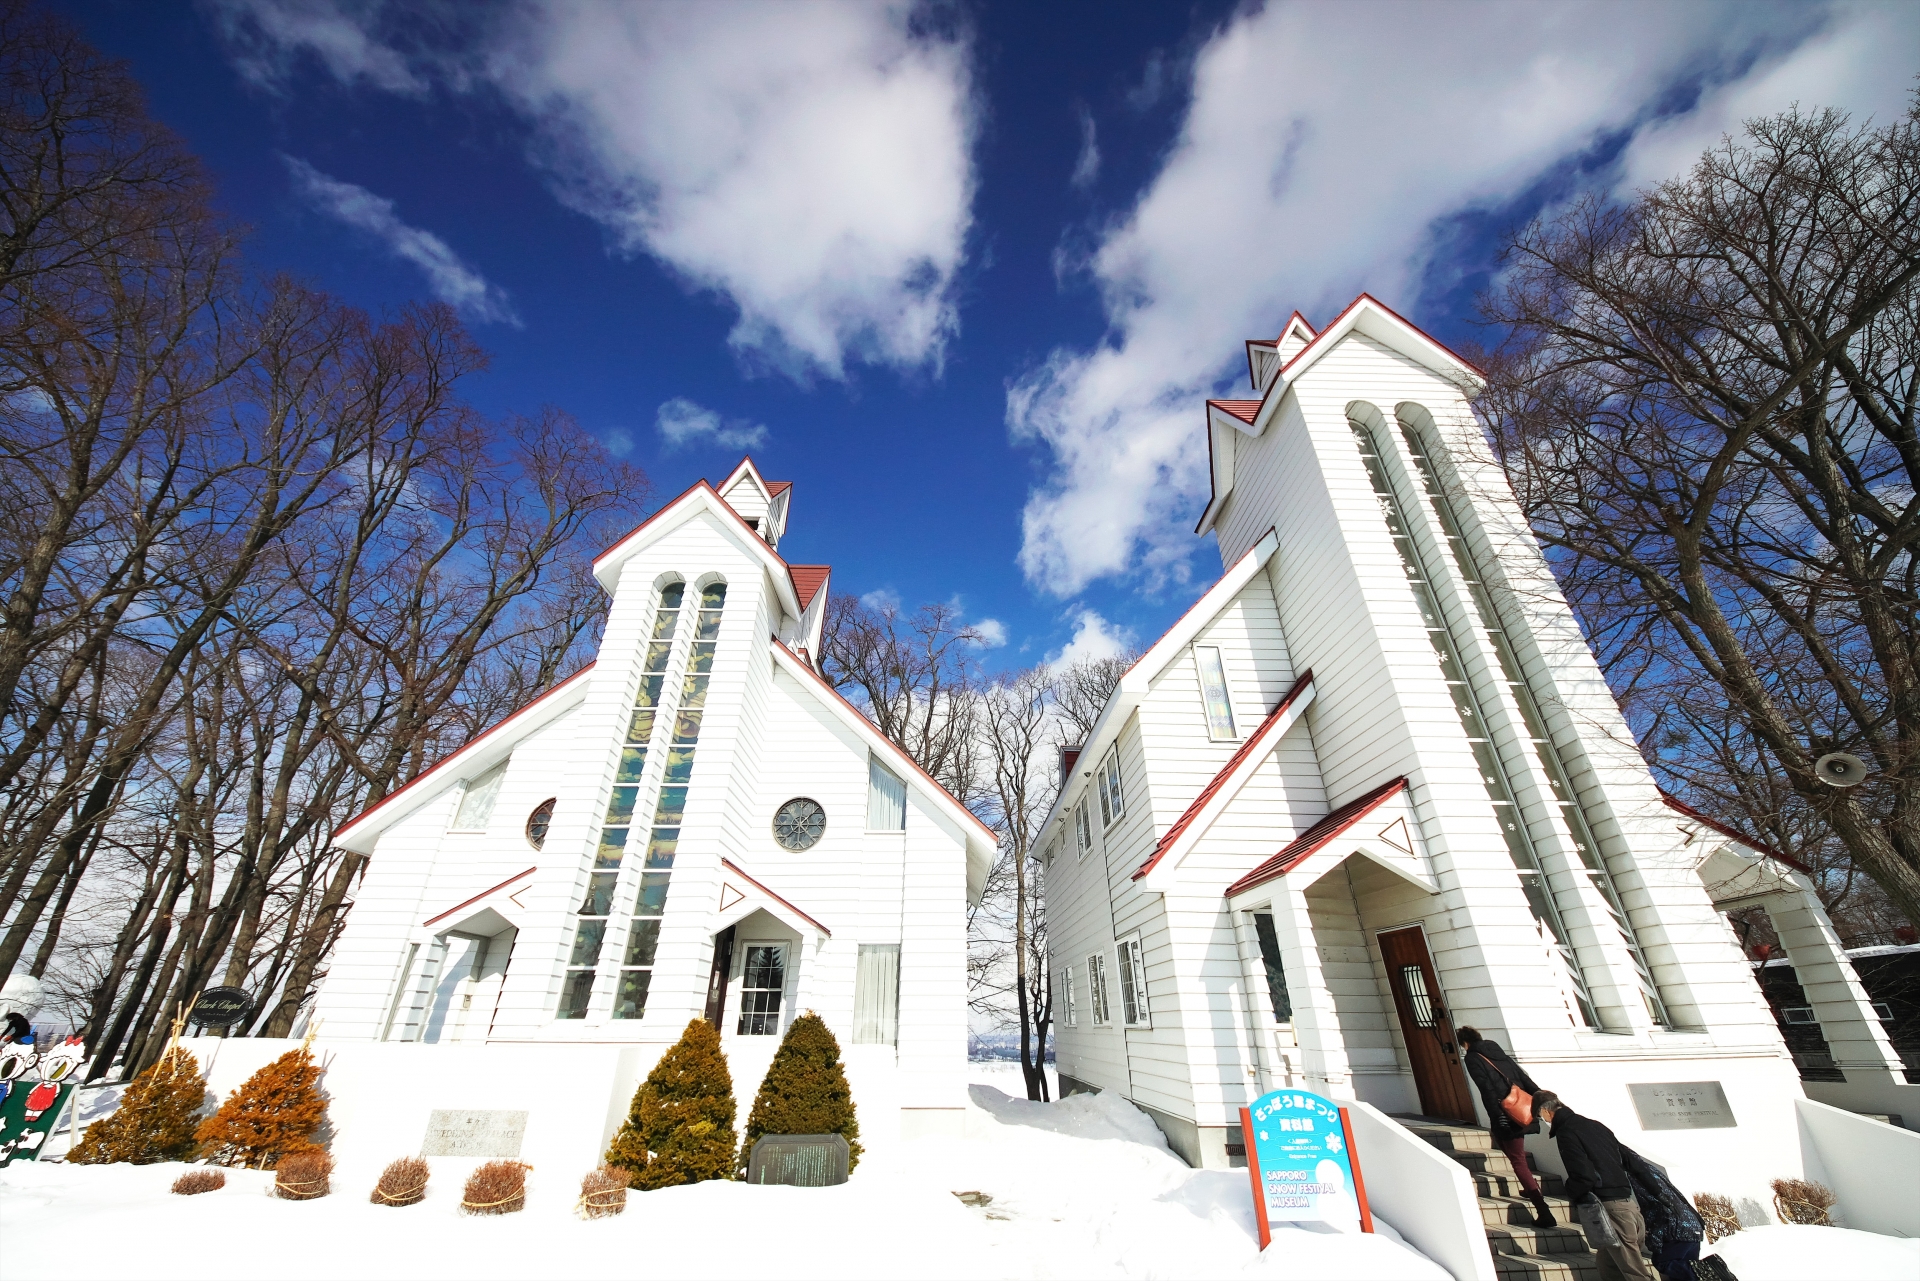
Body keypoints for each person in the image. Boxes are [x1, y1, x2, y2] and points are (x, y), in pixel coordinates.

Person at [1534, 1091, 1657, 1281]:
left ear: (1545, 1110)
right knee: (1608, 1264)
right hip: (1628, 1202)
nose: (1542, 1119)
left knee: (1634, 1272)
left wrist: (1573, 1193)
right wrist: (1656, 1191)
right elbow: (1630, 1160)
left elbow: (1583, 1175)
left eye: (1539, 1114)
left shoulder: (1567, 1132)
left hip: (1608, 1208)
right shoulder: (1596, 1126)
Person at [1458, 1026, 1555, 1227]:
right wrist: (1540, 1102)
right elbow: (1525, 1078)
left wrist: (1497, 1116)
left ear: (1464, 1043)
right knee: (1513, 1154)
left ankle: (1543, 1210)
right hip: (1521, 1110)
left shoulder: (1473, 1058)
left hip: (1505, 1112)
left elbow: (1486, 1088)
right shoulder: (1499, 1054)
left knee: (1518, 1160)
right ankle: (1529, 1189)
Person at [1622, 1145, 1704, 1281]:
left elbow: (1656, 1210)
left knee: (1663, 1262)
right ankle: (1702, 1271)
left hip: (1676, 1228)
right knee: (1681, 1273)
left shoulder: (1633, 1176)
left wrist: (1653, 1240)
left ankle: (1702, 1272)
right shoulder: (1651, 1170)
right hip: (1692, 1225)